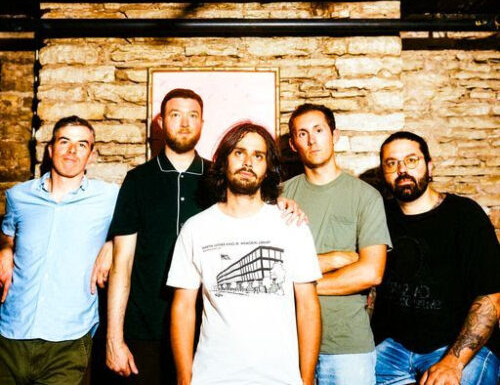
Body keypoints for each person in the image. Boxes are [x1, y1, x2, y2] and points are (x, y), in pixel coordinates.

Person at [106, 89, 304, 383]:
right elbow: (121, 262)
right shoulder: (138, 179)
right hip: (145, 328)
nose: (185, 123)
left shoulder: (221, 176)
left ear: (202, 122)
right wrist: (114, 338)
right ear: (160, 122)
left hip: (207, 331)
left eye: (193, 115)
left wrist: (282, 203)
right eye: (176, 114)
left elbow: (253, 208)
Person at [167, 122, 322, 385]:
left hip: (279, 378)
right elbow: (183, 307)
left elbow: (307, 306)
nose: (248, 162)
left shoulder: (291, 224)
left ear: (268, 168)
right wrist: (184, 378)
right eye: (239, 152)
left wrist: (306, 380)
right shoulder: (196, 228)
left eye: (258, 156)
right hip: (212, 377)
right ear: (224, 161)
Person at [373, 131, 500, 385]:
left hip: (459, 347)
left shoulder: (464, 215)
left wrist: (453, 362)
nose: (402, 170)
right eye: (392, 163)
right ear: (383, 173)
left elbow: (492, 297)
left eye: (411, 160)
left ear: (430, 167)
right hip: (393, 349)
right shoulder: (378, 217)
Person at [0, 116, 119, 384]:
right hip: (10, 333)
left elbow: (142, 227)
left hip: (69, 340)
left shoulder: (109, 197)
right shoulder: (19, 196)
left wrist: (112, 245)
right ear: (51, 149)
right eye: (65, 142)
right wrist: (5, 248)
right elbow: (7, 234)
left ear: (91, 155)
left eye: (82, 144)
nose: (72, 151)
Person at [283, 103, 391, 385]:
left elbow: (371, 273)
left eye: (318, 130)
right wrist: (332, 260)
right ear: (293, 144)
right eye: (302, 134)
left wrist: (296, 283)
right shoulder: (281, 197)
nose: (312, 140)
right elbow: (272, 268)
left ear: (335, 135)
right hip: (288, 344)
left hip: (347, 348)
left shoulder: (365, 197)